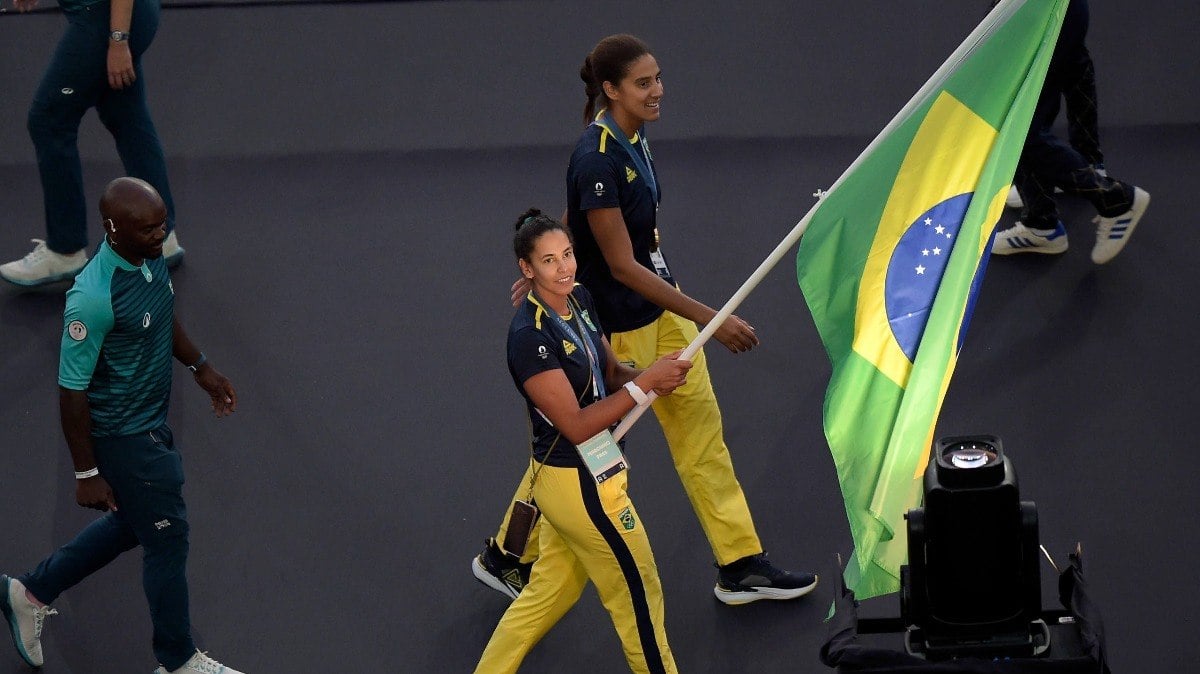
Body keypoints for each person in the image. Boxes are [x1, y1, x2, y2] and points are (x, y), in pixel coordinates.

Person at [474, 34, 817, 606]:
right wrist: (718, 317)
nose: (657, 90)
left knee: (702, 439)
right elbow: (621, 266)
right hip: (617, 329)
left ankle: (738, 564)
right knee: (583, 449)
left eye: (657, 78)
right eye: (643, 83)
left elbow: (581, 217)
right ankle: (507, 554)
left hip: (663, 309)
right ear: (611, 90)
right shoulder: (595, 156)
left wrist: (550, 252)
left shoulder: (633, 135)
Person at [0, 178, 241, 673]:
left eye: (162, 224)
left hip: (151, 421)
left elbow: (162, 312)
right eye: (149, 229)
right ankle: (177, 661)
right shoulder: (91, 297)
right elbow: (71, 389)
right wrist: (86, 472)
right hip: (125, 437)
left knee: (135, 525)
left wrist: (202, 369)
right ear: (113, 229)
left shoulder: (149, 258)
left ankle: (30, 591)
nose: (161, 235)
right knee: (168, 536)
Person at [475, 209, 690, 673]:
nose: (565, 267)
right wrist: (647, 381)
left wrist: (653, 379)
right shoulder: (528, 338)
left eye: (568, 254)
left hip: (586, 475)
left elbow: (610, 373)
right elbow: (574, 425)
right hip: (578, 485)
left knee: (548, 593)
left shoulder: (581, 300)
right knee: (640, 591)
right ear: (527, 270)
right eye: (549, 261)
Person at [0, 0, 184, 288]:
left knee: (49, 120)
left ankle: (65, 249)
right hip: (128, 14)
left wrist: (118, 40)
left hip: (108, 17)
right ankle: (160, 236)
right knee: (125, 114)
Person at [991, 0, 1149, 264]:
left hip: (1040, 11)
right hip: (1047, 11)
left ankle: (1116, 200)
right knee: (1041, 102)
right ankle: (1042, 221)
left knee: (1020, 127)